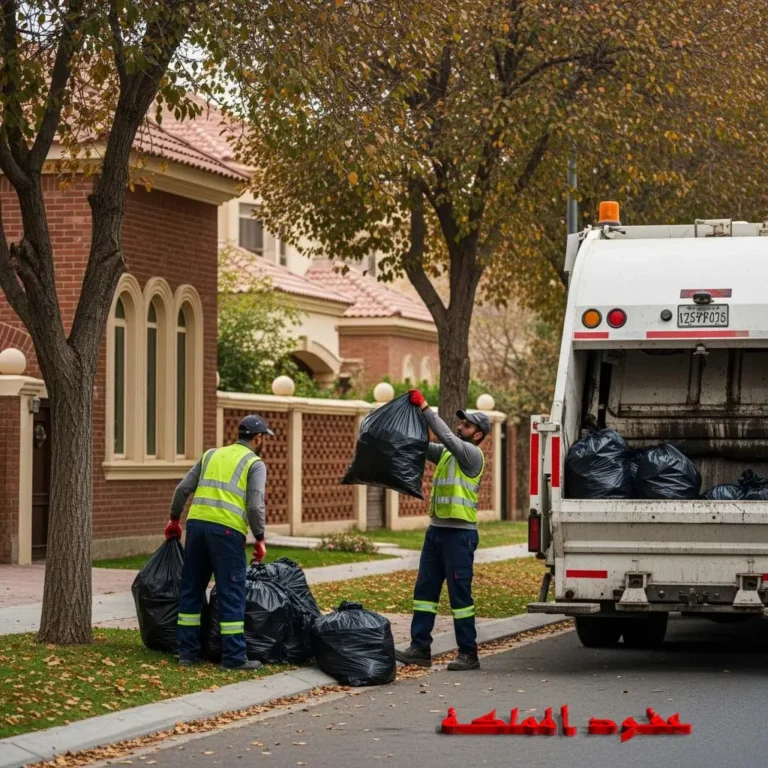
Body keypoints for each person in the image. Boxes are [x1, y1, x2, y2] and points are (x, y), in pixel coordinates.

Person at [163, 414, 273, 670]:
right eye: (263, 438)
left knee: (191, 589)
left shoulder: (211, 455)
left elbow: (182, 489)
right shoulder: (254, 463)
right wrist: (259, 537)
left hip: (197, 526)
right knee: (231, 592)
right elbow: (255, 505)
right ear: (258, 438)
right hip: (226, 532)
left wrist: (174, 519)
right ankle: (234, 658)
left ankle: (187, 653)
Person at [395, 389, 490, 671]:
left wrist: (424, 406)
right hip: (436, 533)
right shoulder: (449, 456)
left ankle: (468, 653)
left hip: (460, 536)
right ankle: (420, 648)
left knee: (460, 597)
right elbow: (424, 446)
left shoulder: (471, 455)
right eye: (461, 423)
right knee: (425, 591)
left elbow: (446, 437)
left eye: (467, 425)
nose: (460, 426)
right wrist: (404, 421)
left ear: (477, 435)